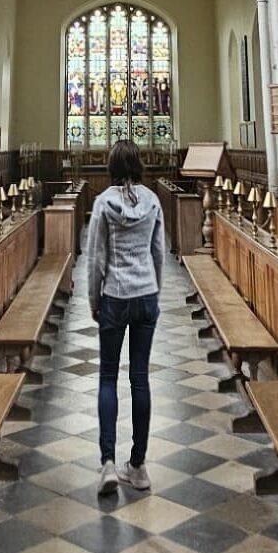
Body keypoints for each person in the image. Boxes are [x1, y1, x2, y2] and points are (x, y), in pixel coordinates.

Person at [86, 139, 165, 493]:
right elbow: (158, 252)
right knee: (140, 378)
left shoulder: (104, 203)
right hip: (145, 293)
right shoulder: (152, 201)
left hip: (115, 296)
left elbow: (95, 259)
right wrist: (155, 290)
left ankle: (106, 463)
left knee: (107, 378)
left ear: (112, 168)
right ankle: (138, 465)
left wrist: (93, 298)